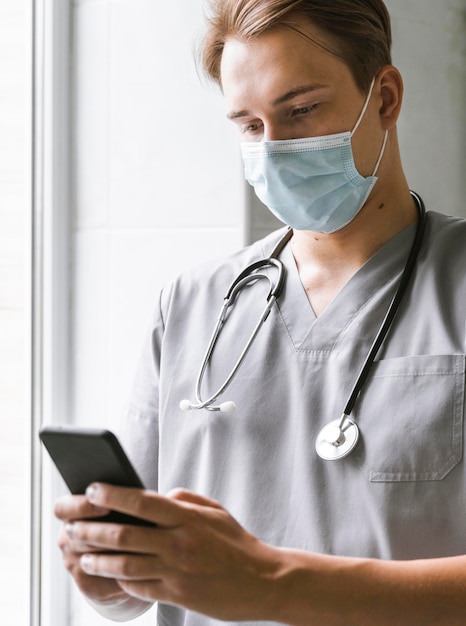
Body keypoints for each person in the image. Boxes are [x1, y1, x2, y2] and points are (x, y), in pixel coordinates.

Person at [54, 1, 466, 624]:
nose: (274, 149)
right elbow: (136, 577)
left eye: (300, 110)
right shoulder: (191, 305)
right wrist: (111, 572)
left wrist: (273, 583)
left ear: (384, 99)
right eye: (249, 125)